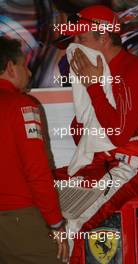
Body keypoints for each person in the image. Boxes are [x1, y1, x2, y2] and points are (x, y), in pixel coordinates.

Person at [55, 5, 138, 263]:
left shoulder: (135, 70)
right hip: (103, 164)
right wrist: (89, 93)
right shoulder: (95, 73)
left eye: (81, 39)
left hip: (134, 166)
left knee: (73, 223)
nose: (75, 47)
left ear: (104, 37)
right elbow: (82, 136)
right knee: (46, 197)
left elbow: (118, 134)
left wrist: (94, 88)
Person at [0, 36, 69, 264]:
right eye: (25, 65)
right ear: (10, 67)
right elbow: (37, 171)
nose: (29, 73)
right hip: (19, 217)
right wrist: (56, 223)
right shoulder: (23, 106)